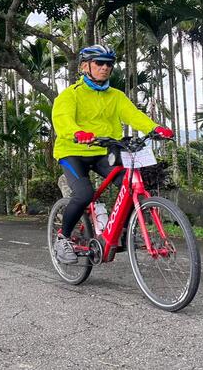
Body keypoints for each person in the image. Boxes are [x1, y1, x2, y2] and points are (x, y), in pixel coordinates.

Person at [51, 44, 173, 263]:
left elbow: (133, 115)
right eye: (99, 63)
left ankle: (123, 233)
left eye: (109, 64)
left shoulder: (116, 96)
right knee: (84, 194)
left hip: (104, 151)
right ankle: (63, 238)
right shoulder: (70, 95)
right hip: (73, 151)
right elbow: (63, 120)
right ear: (85, 66)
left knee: (131, 184)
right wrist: (78, 132)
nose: (105, 68)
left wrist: (154, 129)